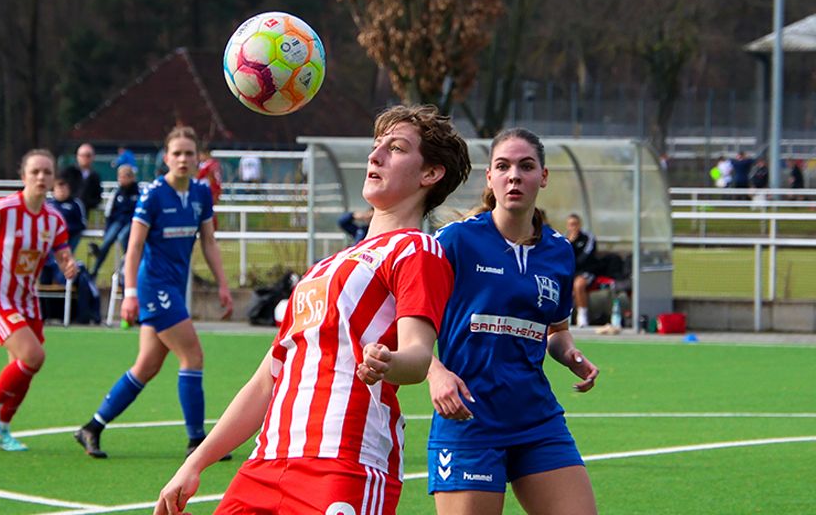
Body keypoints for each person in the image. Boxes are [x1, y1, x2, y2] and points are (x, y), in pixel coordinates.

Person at [152, 105, 472, 515]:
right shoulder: (322, 268)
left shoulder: (416, 249)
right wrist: (195, 463)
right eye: (376, 147)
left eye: (395, 149)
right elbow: (266, 381)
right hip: (265, 463)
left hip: (344, 463)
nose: (375, 157)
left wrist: (389, 361)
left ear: (430, 174)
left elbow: (417, 356)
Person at [427, 127, 599, 515]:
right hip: (469, 419)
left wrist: (570, 353)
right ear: (489, 177)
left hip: (536, 420)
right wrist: (435, 371)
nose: (514, 175)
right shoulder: (454, 242)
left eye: (526, 166)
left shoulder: (559, 252)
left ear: (543, 176)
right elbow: (404, 321)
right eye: (503, 166)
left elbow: (556, 330)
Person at [74, 125, 236, 460]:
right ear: (166, 158)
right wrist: (129, 293)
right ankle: (197, 442)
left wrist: (222, 283)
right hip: (153, 287)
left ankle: (92, 427)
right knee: (193, 356)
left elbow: (208, 241)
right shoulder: (152, 195)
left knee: (146, 366)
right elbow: (133, 248)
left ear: (197, 159)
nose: (183, 159)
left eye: (189, 153)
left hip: (174, 287)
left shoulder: (201, 193)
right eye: (176, 153)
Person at [0, 149, 78, 452]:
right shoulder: (4, 208)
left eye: (47, 172)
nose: (41, 177)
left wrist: (68, 264)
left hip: (27, 299)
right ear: (23, 176)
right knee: (33, 356)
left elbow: (62, 251)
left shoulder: (54, 219)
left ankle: (1, 427)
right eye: (35, 172)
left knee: (24, 365)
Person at [88, 164, 138, 278]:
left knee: (122, 237)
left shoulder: (138, 193)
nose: (122, 179)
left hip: (131, 222)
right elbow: (110, 214)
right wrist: (107, 229)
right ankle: (94, 271)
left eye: (125, 176)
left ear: (132, 177)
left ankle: (129, 261)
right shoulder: (117, 193)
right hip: (118, 222)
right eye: (120, 176)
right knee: (107, 241)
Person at [565, 213, 600, 329]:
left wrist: (572, 244)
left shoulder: (588, 238)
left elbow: (584, 257)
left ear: (580, 225)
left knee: (578, 284)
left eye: (575, 224)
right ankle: (563, 316)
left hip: (586, 270)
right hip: (570, 271)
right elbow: (561, 257)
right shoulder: (563, 239)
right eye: (570, 225)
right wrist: (570, 242)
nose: (573, 227)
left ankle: (582, 315)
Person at [48, 176, 86, 254]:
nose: (61, 192)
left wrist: (67, 229)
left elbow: (82, 223)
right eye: (59, 189)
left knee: (65, 257)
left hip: (71, 235)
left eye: (64, 189)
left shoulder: (75, 204)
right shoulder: (48, 204)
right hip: (52, 236)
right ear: (54, 191)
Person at [62, 143, 103, 214]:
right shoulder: (68, 173)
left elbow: (97, 197)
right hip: (67, 210)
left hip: (86, 212)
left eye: (88, 156)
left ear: (93, 157)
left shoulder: (95, 176)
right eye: (82, 155)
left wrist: (87, 203)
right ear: (77, 156)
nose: (85, 158)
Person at [196, 147, 222, 229]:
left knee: (208, 211)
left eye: (200, 155)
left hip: (211, 190)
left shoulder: (207, 165)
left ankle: (211, 230)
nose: (199, 157)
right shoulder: (215, 163)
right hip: (216, 189)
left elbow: (199, 176)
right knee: (211, 211)